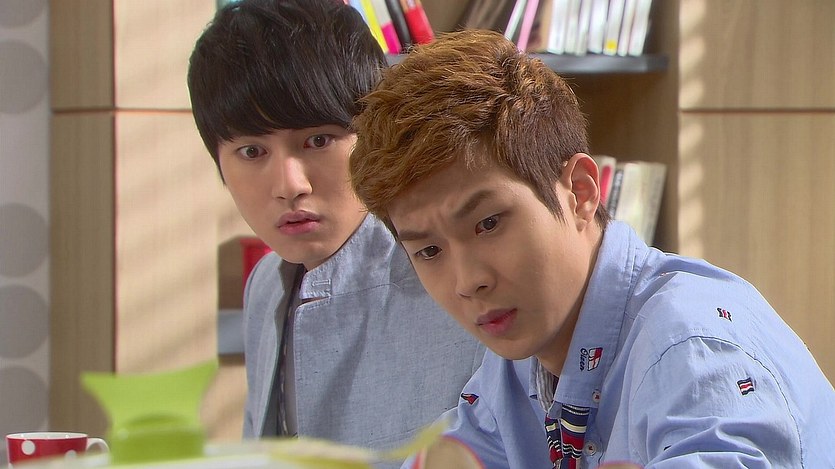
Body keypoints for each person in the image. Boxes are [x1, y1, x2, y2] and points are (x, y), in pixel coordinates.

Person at [349, 29, 835, 468]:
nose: (467, 281)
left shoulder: (692, 348)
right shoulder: (516, 368)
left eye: (488, 224)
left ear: (580, 192)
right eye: (429, 251)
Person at [186, 0, 484, 462]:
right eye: (251, 152)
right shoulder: (266, 284)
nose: (290, 185)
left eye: (318, 141)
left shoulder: (454, 272)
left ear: (373, 136)